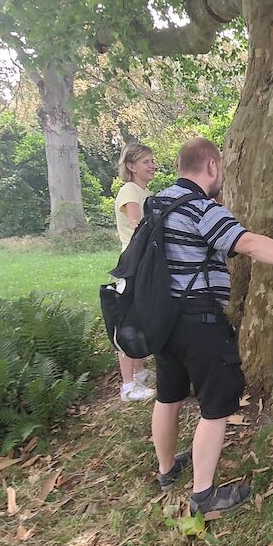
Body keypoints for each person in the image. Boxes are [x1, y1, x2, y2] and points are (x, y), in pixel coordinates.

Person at [150, 137, 273, 514]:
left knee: (168, 393)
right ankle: (204, 496)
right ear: (212, 167)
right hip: (197, 319)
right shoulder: (200, 207)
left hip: (162, 317)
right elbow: (248, 243)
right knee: (217, 404)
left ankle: (167, 469)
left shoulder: (156, 202)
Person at [113, 143, 158, 403]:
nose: (152, 165)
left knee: (140, 317)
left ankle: (139, 373)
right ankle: (128, 385)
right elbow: (136, 223)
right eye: (145, 162)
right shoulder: (130, 190)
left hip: (142, 262)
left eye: (152, 160)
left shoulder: (143, 191)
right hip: (132, 263)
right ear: (131, 167)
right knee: (128, 321)